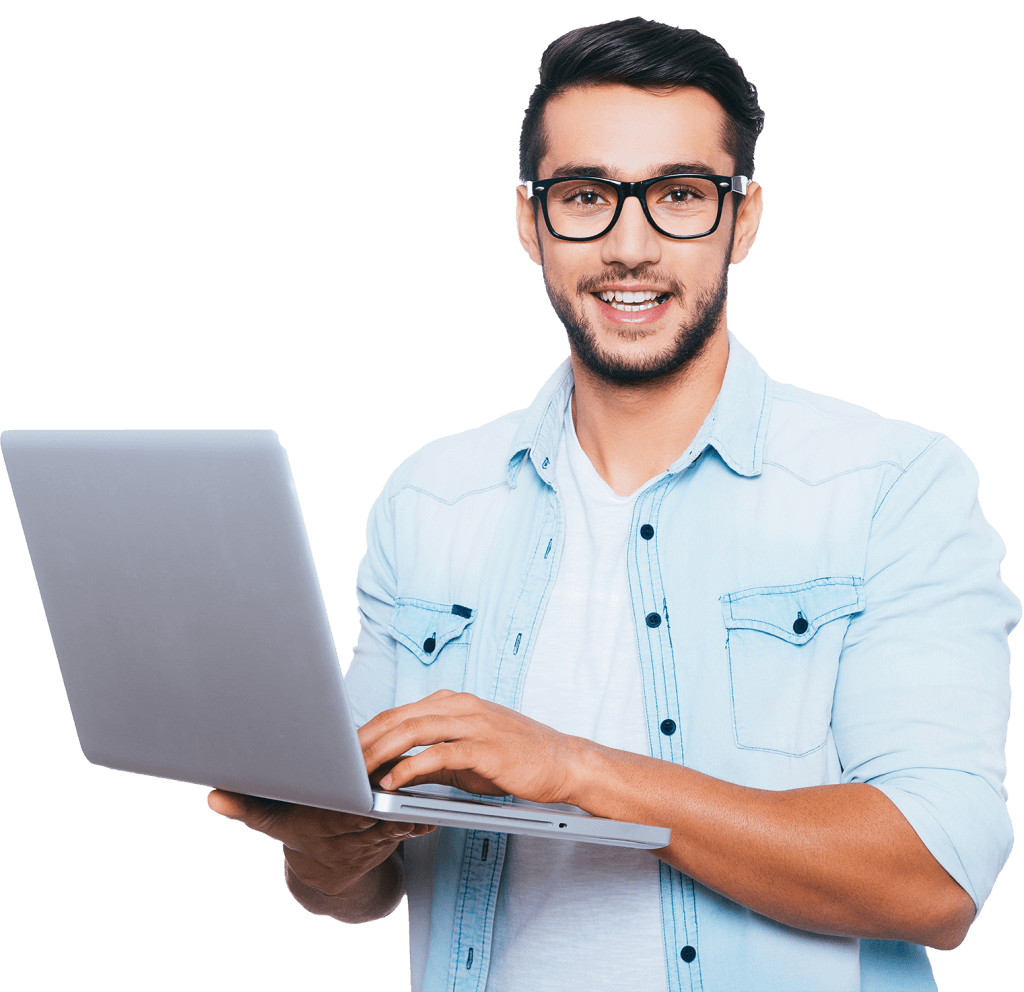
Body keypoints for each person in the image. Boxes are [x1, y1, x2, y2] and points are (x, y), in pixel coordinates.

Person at [207, 19, 1018, 992]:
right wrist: (326, 844)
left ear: (742, 218)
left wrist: (578, 770)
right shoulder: (429, 497)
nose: (630, 246)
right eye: (586, 197)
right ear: (528, 221)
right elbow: (356, 889)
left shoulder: (892, 484)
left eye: (678, 196)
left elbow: (935, 877)